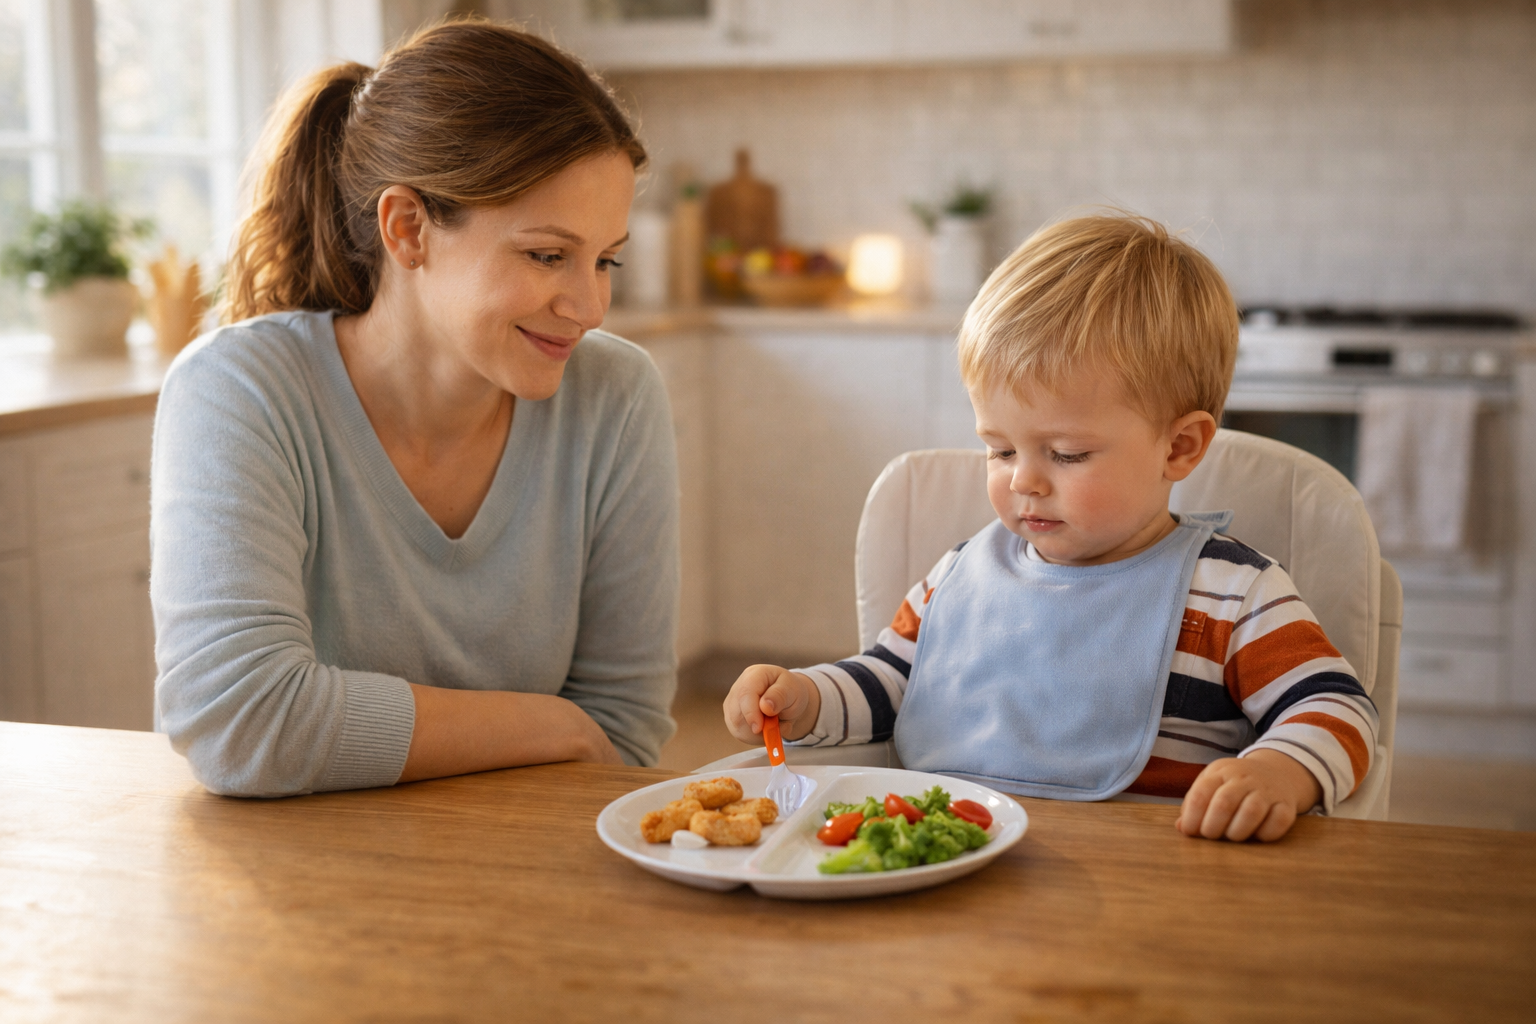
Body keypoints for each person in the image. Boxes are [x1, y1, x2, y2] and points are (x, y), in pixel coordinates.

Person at [724, 214, 1378, 842]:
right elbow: (886, 684)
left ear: (1179, 448)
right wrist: (805, 695)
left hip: (1154, 890)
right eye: (1001, 449)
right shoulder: (958, 575)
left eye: (1065, 454)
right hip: (951, 869)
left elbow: (1339, 711)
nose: (1023, 481)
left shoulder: (1231, 595)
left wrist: (1277, 772)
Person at [151, 20, 679, 797]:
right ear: (408, 229)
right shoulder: (240, 390)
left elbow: (625, 736)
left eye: (606, 260)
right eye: (546, 255)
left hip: (530, 874)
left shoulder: (615, 398)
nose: (590, 305)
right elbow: (238, 719)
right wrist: (558, 728)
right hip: (290, 888)